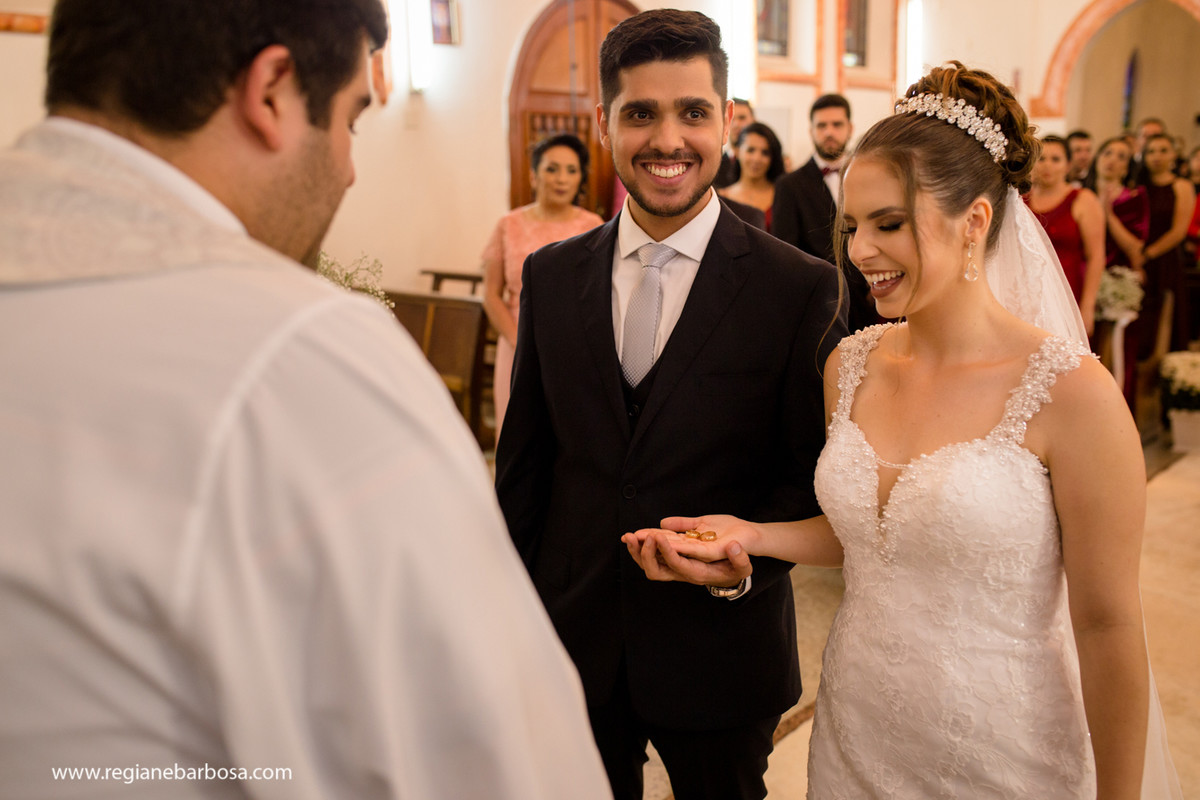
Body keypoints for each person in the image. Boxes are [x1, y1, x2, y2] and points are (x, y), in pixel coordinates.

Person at [0, 2, 613, 799]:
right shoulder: (304, 358)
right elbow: (502, 763)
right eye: (354, 118)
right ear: (273, 89)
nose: (351, 168)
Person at [623, 61, 1183, 799]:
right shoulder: (851, 364)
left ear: (976, 221)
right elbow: (870, 532)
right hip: (858, 732)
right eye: (853, 227)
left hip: (1005, 747)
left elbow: (1109, 625)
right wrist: (752, 536)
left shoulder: (1071, 394)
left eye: (889, 225)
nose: (859, 253)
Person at [494, 9, 846, 800]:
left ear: (727, 118)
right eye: (640, 113)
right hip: (574, 640)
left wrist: (735, 569)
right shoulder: (551, 278)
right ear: (604, 122)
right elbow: (526, 468)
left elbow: (808, 484)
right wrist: (509, 629)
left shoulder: (798, 288)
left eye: (692, 112)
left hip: (723, 652)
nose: (668, 139)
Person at [481, 133, 604, 435]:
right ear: (534, 175)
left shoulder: (593, 228)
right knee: (515, 437)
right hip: (516, 345)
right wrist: (517, 340)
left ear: (580, 180)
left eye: (571, 170)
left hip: (573, 353)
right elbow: (490, 294)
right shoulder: (508, 225)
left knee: (565, 439)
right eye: (552, 169)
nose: (562, 179)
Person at [773, 93, 876, 332]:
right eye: (822, 125)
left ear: (850, 128)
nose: (829, 132)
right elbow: (785, 252)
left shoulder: (871, 178)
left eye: (837, 124)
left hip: (869, 303)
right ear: (811, 131)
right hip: (818, 307)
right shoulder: (790, 186)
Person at [1083, 136, 1151, 407]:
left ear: (1127, 167)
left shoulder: (1134, 198)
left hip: (1116, 280)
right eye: (1108, 152)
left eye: (1121, 156)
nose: (1112, 160)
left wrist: (1107, 213)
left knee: (1115, 355)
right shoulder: (1078, 194)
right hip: (1081, 279)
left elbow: (1135, 247)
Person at [1024, 135, 1106, 335]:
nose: (1047, 166)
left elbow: (1096, 256)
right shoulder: (1021, 199)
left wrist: (1087, 306)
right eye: (1041, 159)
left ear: (1068, 165)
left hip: (1067, 290)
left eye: (1055, 159)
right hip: (1028, 290)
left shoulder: (1083, 200)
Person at [1139, 132, 1196, 353]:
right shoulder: (1138, 185)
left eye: (1163, 150)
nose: (1157, 156)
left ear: (1174, 154)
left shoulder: (1181, 186)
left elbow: (1179, 231)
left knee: (1165, 316)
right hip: (1136, 256)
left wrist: (1148, 254)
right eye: (1151, 151)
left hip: (1165, 259)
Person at [717, 121, 785, 230]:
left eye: (765, 152)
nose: (757, 159)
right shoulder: (721, 198)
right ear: (738, 152)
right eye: (751, 150)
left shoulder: (783, 196)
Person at [713, 97, 754, 189]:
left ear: (753, 120)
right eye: (731, 119)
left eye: (742, 118)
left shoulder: (767, 163)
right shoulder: (715, 166)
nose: (736, 124)